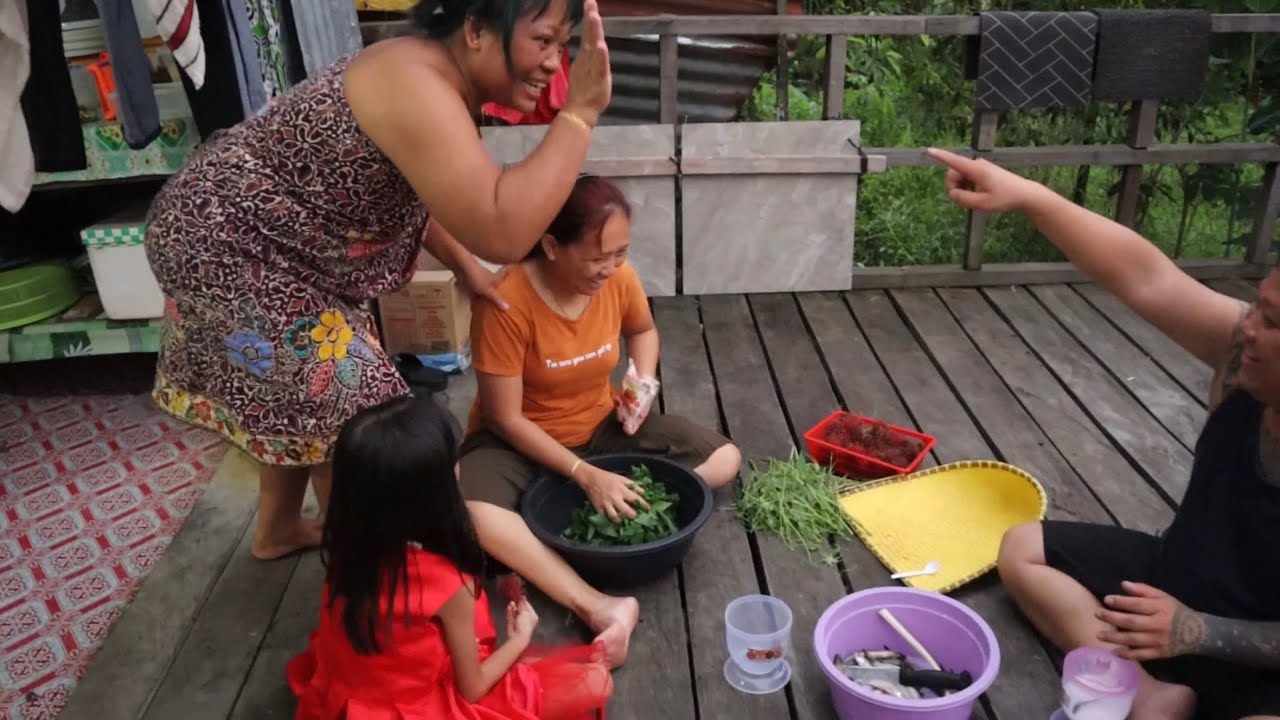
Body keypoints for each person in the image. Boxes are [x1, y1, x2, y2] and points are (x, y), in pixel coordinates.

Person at [143, 0, 612, 561]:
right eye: (544, 42)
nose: (555, 66)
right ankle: (373, 600)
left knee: (309, 401)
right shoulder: (414, 81)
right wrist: (579, 115)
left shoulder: (429, 76)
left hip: (287, 253)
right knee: (374, 428)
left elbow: (427, 189)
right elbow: (504, 230)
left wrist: (468, 271)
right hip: (230, 246)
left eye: (563, 48)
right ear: (477, 31)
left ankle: (279, 531)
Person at [927, 147, 1280, 719]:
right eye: (1258, 308)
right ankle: (1151, 694)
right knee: (1023, 549)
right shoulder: (1241, 355)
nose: (1249, 327)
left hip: (1254, 653)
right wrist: (1027, 196)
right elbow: (1145, 276)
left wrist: (1200, 632)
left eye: (1272, 321)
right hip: (1169, 585)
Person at [457, 174, 742, 669]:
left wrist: (642, 385)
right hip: (518, 444)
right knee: (472, 511)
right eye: (595, 257)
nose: (609, 268)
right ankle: (597, 603)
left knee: (725, 458)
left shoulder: (618, 279)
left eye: (620, 253)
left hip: (603, 427)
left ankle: (573, 524)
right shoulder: (505, 302)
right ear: (550, 246)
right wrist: (584, 475)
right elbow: (504, 418)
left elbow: (644, 329)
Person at [286, 393, 614, 719]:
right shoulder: (445, 582)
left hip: (358, 698)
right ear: (434, 489)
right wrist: (520, 638)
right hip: (424, 708)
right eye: (452, 460)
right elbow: (472, 688)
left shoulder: (349, 550)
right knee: (595, 681)